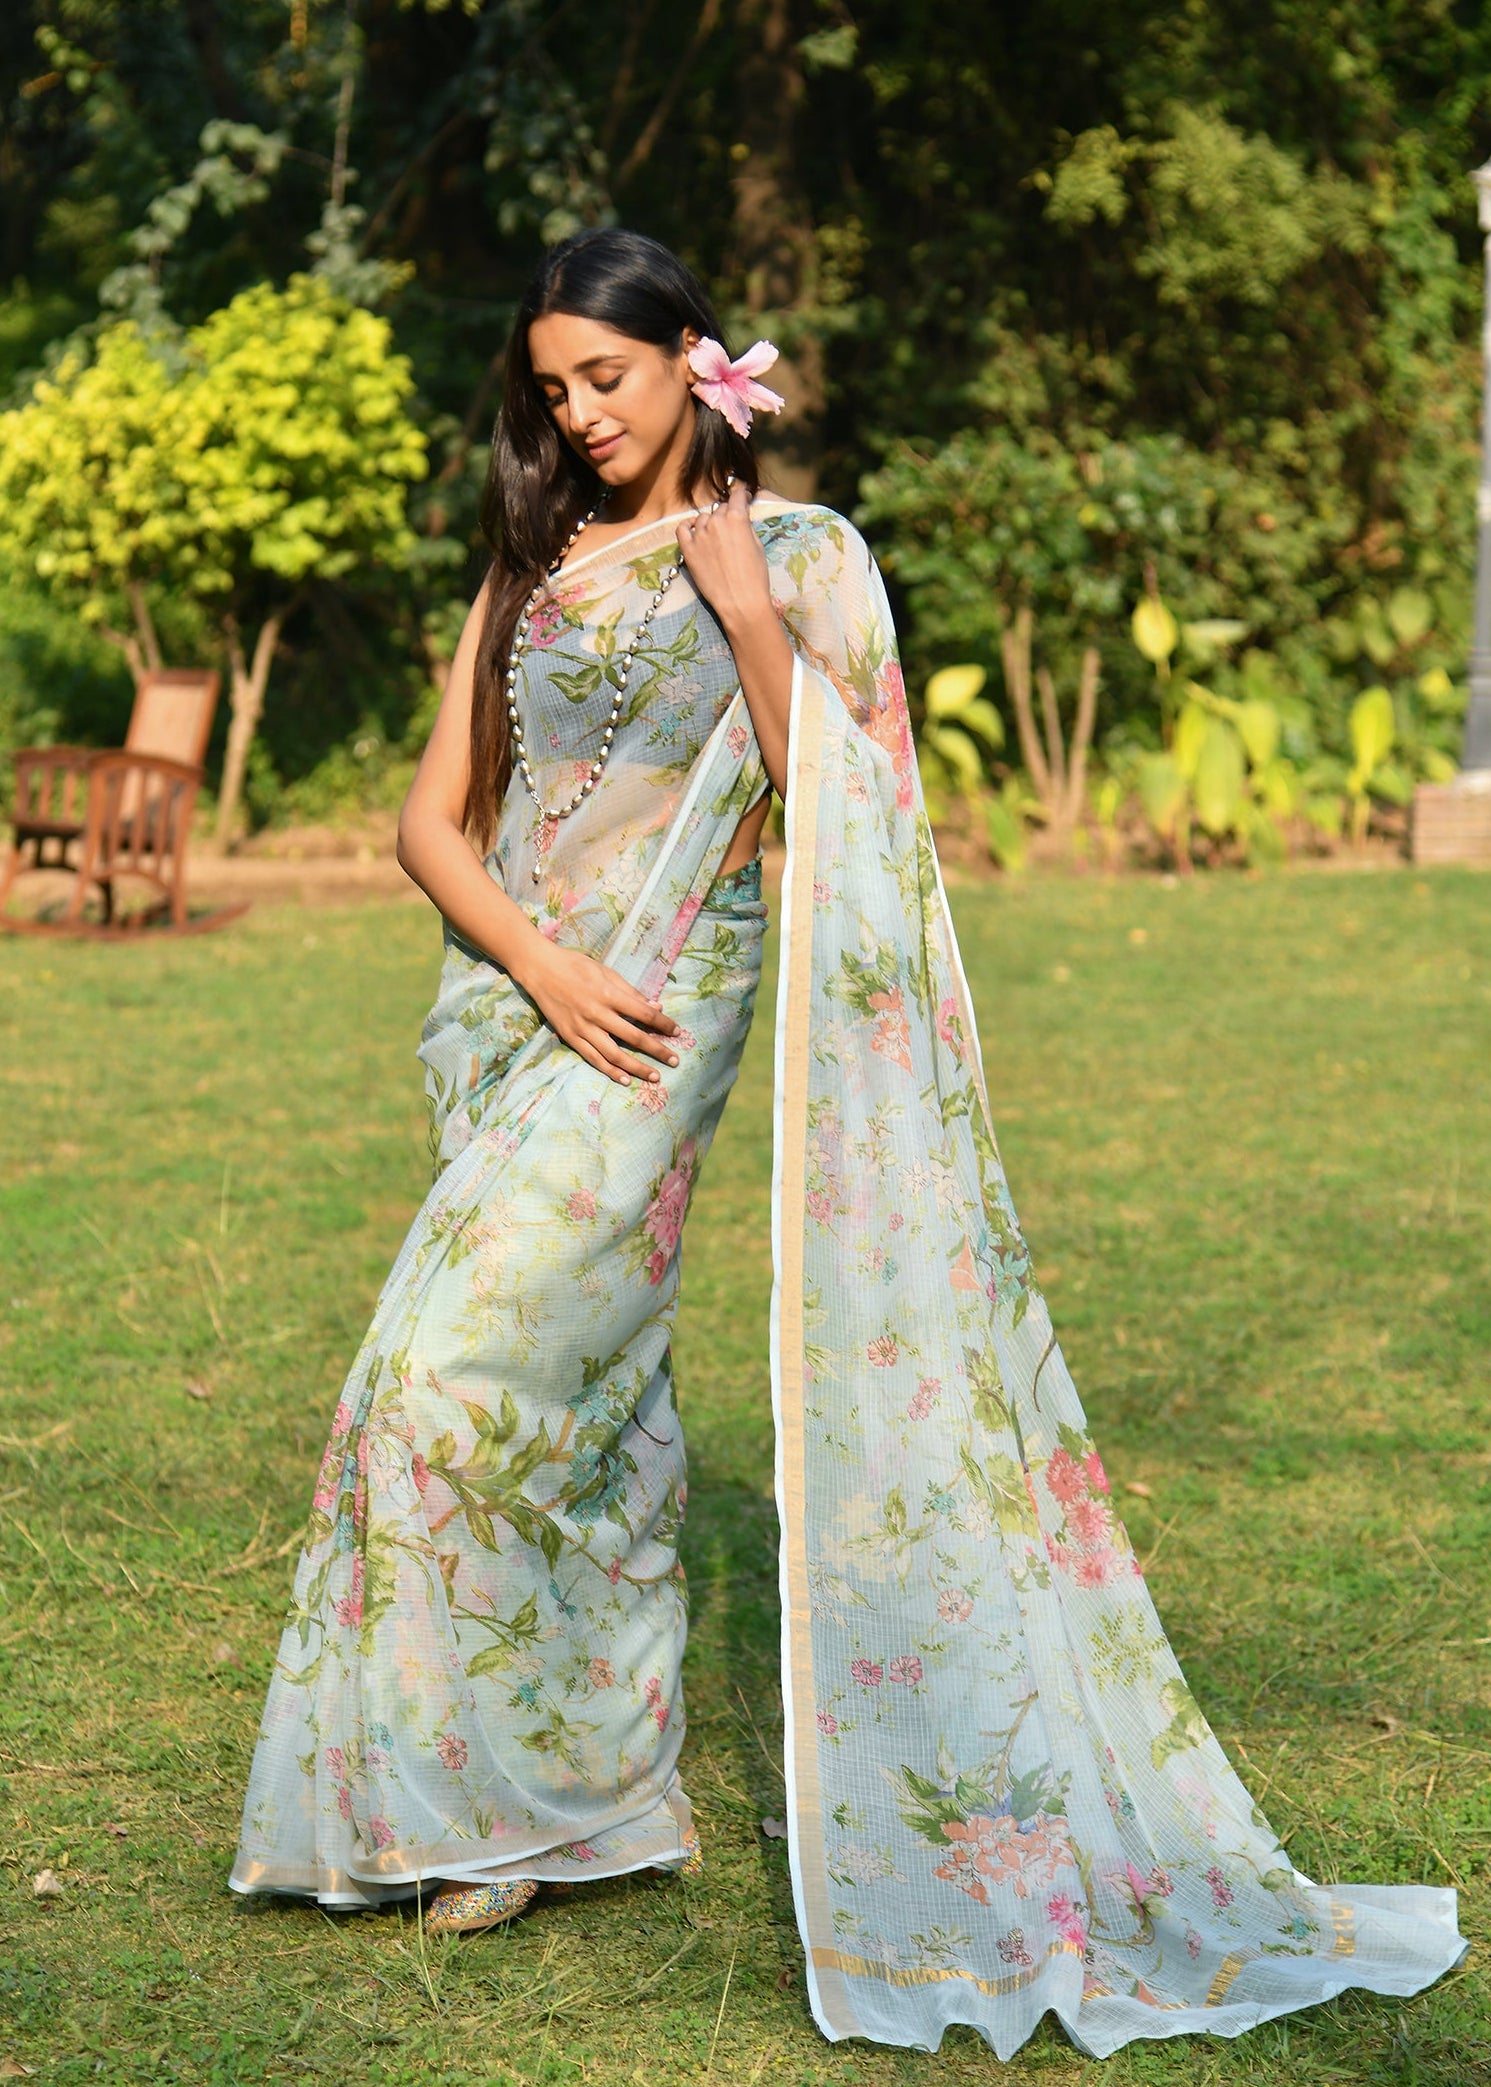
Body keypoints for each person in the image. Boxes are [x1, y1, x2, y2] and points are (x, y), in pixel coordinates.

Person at [230, 228, 1465, 2059]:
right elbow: (433, 823)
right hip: (516, 1011)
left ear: (691, 356)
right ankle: (577, 1800)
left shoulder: (804, 557)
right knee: (576, 1390)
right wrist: (544, 967)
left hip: (662, 1023)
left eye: (606, 379)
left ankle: (493, 1799)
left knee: (435, 1375)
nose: (578, 418)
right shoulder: (533, 560)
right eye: (552, 390)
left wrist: (745, 611)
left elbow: (856, 812)